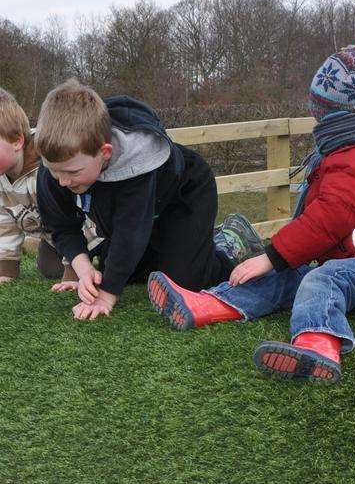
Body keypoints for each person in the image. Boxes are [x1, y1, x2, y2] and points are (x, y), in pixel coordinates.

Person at [147, 41, 355, 383]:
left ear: (339, 115)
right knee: (287, 275)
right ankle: (211, 305)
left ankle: (318, 344)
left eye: (320, 110)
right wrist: (278, 262)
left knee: (322, 279)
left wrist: (271, 255)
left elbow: (328, 218)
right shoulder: (350, 150)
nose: (316, 118)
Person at [35, 79, 261, 321]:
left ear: (105, 153)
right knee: (131, 274)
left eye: (72, 173)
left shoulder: (135, 164)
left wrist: (106, 296)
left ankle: (231, 241)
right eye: (55, 171)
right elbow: (61, 225)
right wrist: (84, 269)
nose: (62, 181)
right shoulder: (58, 165)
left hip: (184, 195)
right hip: (141, 214)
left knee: (186, 280)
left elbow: (130, 233)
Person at [0, 85, 75, 286]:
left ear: (17, 141)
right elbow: (5, 223)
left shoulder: (50, 170)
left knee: (110, 265)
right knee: (50, 270)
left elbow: (74, 217)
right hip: (52, 236)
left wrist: (74, 271)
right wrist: (7, 271)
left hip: (87, 229)